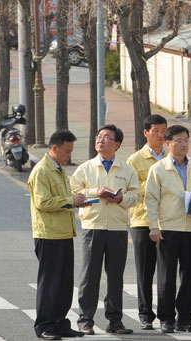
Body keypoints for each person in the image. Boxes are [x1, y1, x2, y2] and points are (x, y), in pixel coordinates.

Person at [70, 125, 141, 335]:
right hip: (93, 226)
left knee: (115, 277)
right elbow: (73, 192)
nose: (100, 140)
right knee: (89, 275)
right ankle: (85, 320)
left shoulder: (127, 169)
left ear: (117, 144)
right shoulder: (85, 168)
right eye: (98, 137)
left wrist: (121, 198)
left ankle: (115, 321)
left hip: (118, 229)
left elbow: (136, 195)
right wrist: (96, 192)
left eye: (106, 137)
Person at [145, 125, 191, 333]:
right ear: (168, 143)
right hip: (168, 229)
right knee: (166, 277)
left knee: (190, 276)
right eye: (178, 141)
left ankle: (186, 318)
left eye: (186, 140)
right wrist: (153, 227)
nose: (183, 145)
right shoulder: (158, 169)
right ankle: (166, 318)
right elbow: (151, 200)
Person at [28, 130, 86, 340]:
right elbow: (42, 202)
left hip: (63, 233)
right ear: (54, 148)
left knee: (64, 283)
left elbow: (61, 198)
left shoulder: (59, 169)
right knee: (49, 283)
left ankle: (60, 323)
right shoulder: (42, 170)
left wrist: (77, 199)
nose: (69, 155)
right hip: (48, 234)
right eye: (67, 151)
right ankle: (44, 325)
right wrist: (71, 201)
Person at [126, 114, 167, 330]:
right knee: (145, 270)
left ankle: (167, 313)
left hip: (169, 221)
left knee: (166, 271)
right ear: (145, 133)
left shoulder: (171, 158)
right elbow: (131, 189)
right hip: (142, 221)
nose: (160, 135)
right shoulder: (134, 160)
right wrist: (156, 184)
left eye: (163, 131)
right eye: (156, 131)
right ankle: (144, 313)